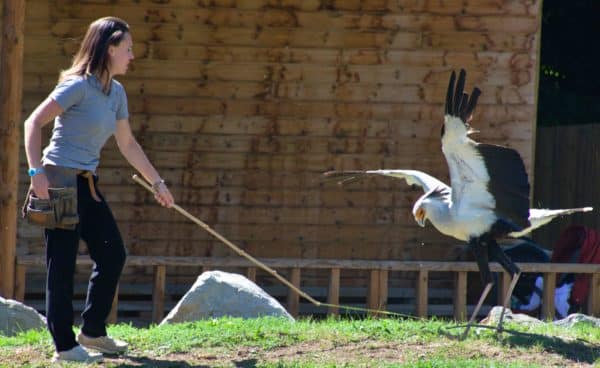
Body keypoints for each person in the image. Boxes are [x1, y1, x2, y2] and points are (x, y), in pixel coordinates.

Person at [23, 16, 174, 363]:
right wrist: (36, 173)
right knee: (60, 266)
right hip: (59, 182)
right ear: (109, 49)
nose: (132, 56)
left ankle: (91, 332)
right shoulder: (77, 86)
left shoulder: (116, 93)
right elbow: (33, 122)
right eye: (128, 49)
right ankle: (64, 347)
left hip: (87, 184)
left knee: (112, 255)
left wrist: (158, 183)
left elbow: (128, 143)